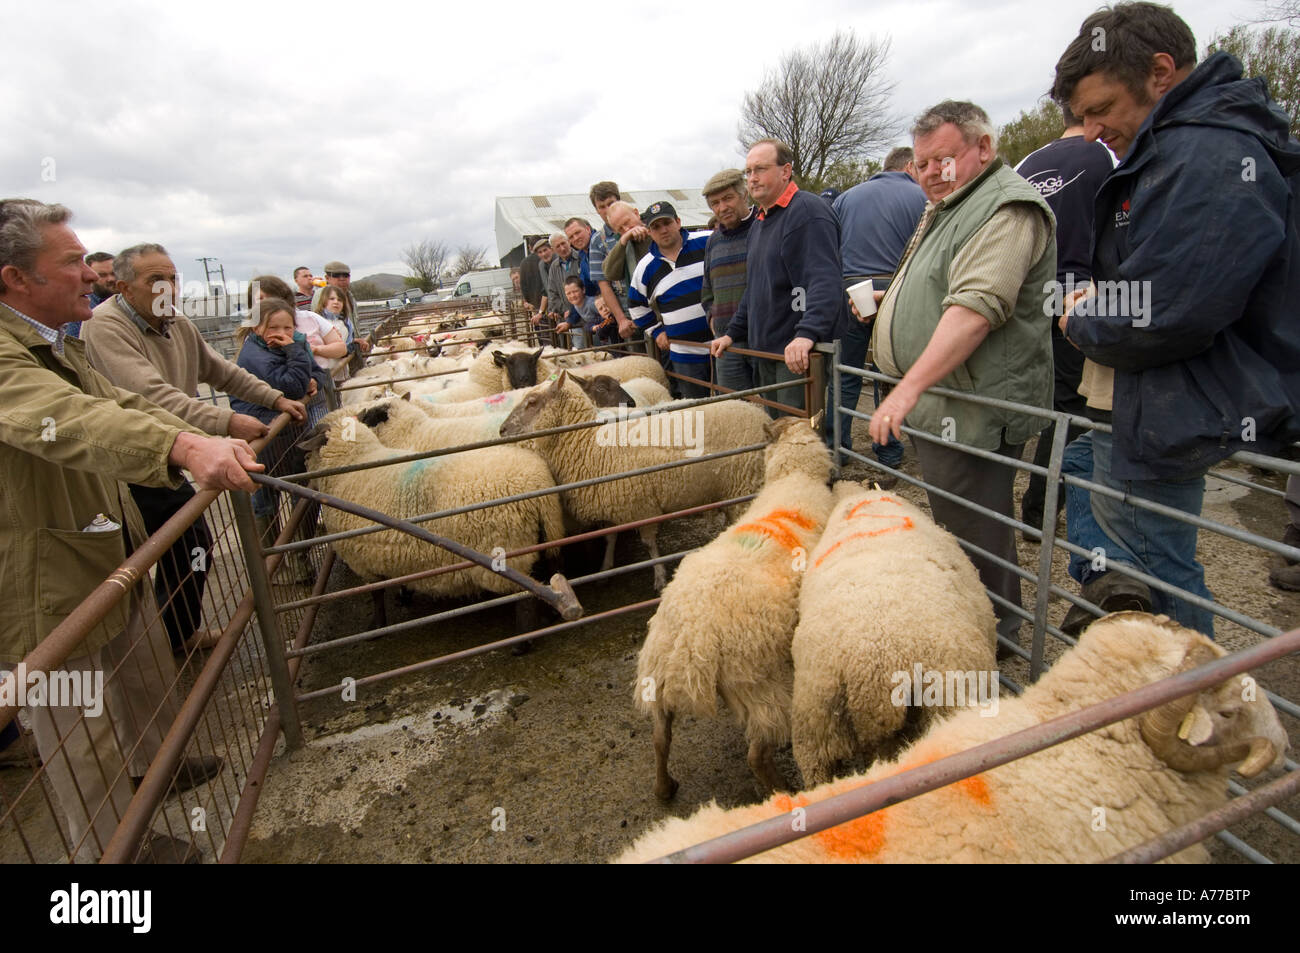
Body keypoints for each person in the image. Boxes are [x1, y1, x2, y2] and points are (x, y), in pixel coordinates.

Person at [0, 198, 262, 862]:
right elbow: (73, 419)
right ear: (14, 278)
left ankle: (155, 767)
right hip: (46, 573)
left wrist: (191, 434)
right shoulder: (11, 357)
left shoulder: (57, 341)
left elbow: (114, 401)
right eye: (70, 262)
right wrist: (188, 445)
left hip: (101, 540)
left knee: (140, 670)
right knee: (80, 729)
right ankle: (110, 858)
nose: (90, 273)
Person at [1053, 2, 1300, 637]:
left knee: (1160, 562)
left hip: (1177, 399)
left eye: (1099, 110)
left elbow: (1168, 308)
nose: (1090, 130)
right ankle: (1126, 621)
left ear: (1160, 71)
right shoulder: (1179, 147)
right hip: (1156, 398)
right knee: (1087, 473)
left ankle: (1193, 707)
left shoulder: (1210, 155)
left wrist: (1083, 319)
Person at [866, 101, 1056, 651]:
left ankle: (995, 640)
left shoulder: (1006, 209)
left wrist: (906, 388)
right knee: (955, 519)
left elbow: (975, 310)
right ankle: (978, 624)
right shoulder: (951, 206)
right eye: (921, 164)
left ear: (984, 149)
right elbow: (941, 283)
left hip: (971, 403)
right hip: (942, 399)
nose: (930, 173)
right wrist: (890, 301)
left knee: (976, 525)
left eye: (943, 160)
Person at [83, 244, 307, 657]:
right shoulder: (104, 328)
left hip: (164, 453)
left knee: (187, 542)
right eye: (155, 280)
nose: (168, 287)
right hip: (123, 460)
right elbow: (151, 395)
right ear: (124, 288)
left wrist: (274, 399)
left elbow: (221, 371)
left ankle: (175, 635)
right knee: (135, 555)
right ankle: (138, 650)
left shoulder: (176, 323)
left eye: (172, 277)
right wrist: (225, 422)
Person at [1014, 104, 1115, 543]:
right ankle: (1043, 510)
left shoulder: (1027, 163)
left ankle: (1026, 508)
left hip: (1028, 290)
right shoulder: (1109, 155)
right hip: (1078, 294)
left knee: (1041, 401)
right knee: (1076, 406)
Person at [710, 138, 847, 415]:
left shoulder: (807, 212)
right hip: (769, 350)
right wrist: (732, 333)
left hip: (795, 352)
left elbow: (824, 280)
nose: (752, 178)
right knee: (777, 424)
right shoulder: (762, 221)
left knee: (795, 432)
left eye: (760, 169)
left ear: (785, 171)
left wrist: (807, 333)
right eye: (748, 172)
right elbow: (755, 287)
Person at [832, 146, 925, 466]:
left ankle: (837, 447)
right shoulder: (921, 196)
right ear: (910, 166)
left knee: (845, 372)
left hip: (851, 288)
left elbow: (833, 244)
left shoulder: (846, 198)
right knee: (888, 371)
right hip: (898, 289)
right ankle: (887, 449)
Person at [232, 297, 320, 581]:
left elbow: (312, 371)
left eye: (288, 327)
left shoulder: (279, 348)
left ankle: (298, 557)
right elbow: (292, 384)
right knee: (267, 498)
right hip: (265, 436)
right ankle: (274, 563)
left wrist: (311, 376)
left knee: (302, 495)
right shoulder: (254, 355)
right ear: (257, 327)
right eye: (274, 327)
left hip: (285, 433)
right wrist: (296, 353)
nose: (282, 333)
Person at [628, 202, 714, 399]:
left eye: (667, 223)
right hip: (685, 354)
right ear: (649, 232)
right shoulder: (645, 267)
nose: (663, 230)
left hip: (723, 344)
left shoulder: (707, 241)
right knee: (696, 409)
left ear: (678, 222)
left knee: (734, 405)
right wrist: (657, 331)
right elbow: (636, 306)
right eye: (656, 227)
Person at [700, 169, 759, 396]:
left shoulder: (764, 227)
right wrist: (712, 317)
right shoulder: (713, 241)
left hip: (762, 340)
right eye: (715, 203)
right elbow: (707, 289)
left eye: (728, 198)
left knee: (775, 409)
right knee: (734, 412)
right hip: (727, 344)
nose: (722, 207)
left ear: (744, 195)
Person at [586, 182, 636, 339]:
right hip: (627, 311)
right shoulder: (597, 241)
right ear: (596, 210)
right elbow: (604, 284)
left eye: (611, 203)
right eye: (601, 206)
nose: (607, 209)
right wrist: (621, 319)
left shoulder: (640, 225)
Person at [65, 251, 115, 339]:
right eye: (102, 275)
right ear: (90, 277)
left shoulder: (132, 303)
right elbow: (75, 346)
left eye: (113, 274)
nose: (110, 279)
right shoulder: (80, 309)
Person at [556, 275, 617, 348]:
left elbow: (608, 314)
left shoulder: (592, 304)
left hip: (611, 334)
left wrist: (598, 326)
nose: (572, 295)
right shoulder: (576, 306)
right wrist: (567, 323)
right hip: (602, 336)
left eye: (575, 291)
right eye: (568, 293)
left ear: (583, 290)